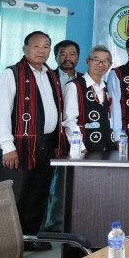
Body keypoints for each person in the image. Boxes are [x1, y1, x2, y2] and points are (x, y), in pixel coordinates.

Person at [0, 31, 63, 249]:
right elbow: (2, 112)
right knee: (13, 197)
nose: (41, 50)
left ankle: (29, 239)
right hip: (19, 147)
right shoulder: (12, 73)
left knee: (37, 195)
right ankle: (5, 246)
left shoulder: (50, 74)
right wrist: (7, 147)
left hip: (45, 144)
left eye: (46, 46)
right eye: (36, 46)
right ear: (25, 49)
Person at [44, 38, 81, 233]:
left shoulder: (84, 80)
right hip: (48, 138)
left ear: (79, 57)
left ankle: (58, 224)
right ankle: (42, 227)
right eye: (63, 54)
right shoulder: (46, 77)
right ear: (56, 56)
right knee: (43, 182)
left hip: (74, 139)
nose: (67, 58)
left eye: (72, 54)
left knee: (66, 183)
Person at [63, 45, 114, 153]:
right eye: (96, 60)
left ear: (110, 65)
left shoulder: (107, 87)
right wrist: (80, 148)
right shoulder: (74, 86)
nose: (101, 65)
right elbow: (69, 121)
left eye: (105, 61)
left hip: (108, 148)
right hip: (84, 149)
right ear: (87, 61)